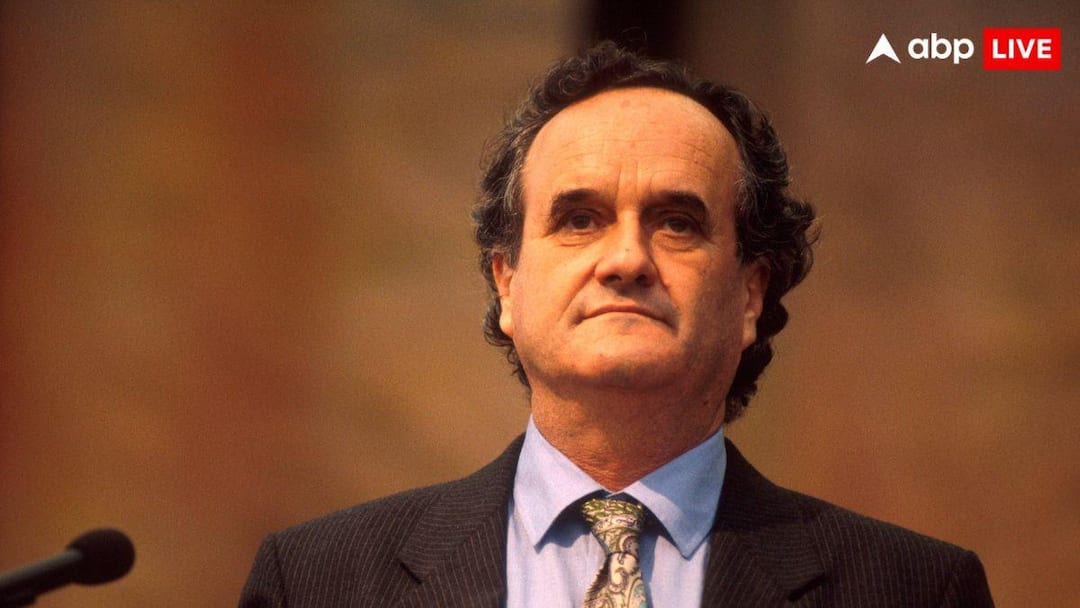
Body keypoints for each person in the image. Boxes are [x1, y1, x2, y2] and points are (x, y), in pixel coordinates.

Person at [238, 42, 993, 607]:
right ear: (507, 283)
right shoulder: (314, 582)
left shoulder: (916, 590)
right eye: (580, 219)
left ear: (751, 293)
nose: (627, 259)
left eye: (676, 223)